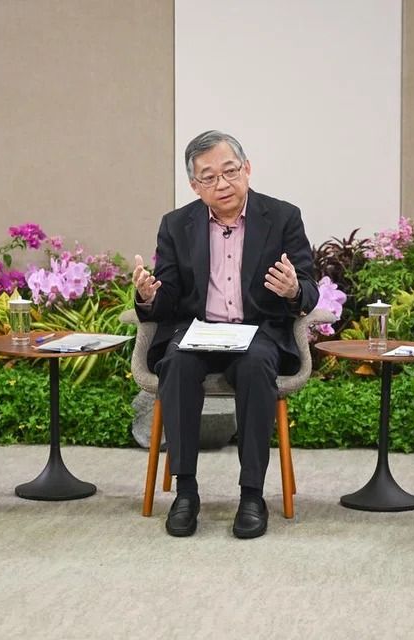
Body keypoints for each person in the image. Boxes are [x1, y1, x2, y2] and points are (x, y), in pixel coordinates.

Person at [133, 130, 318, 539]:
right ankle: (186, 492)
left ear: (247, 169)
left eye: (230, 171)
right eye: (209, 177)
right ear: (195, 186)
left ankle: (251, 494)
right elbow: (167, 299)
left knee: (255, 367)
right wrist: (148, 296)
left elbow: (309, 286)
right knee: (177, 365)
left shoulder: (283, 217)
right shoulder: (176, 224)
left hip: (258, 332)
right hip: (199, 331)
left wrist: (293, 290)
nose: (222, 184)